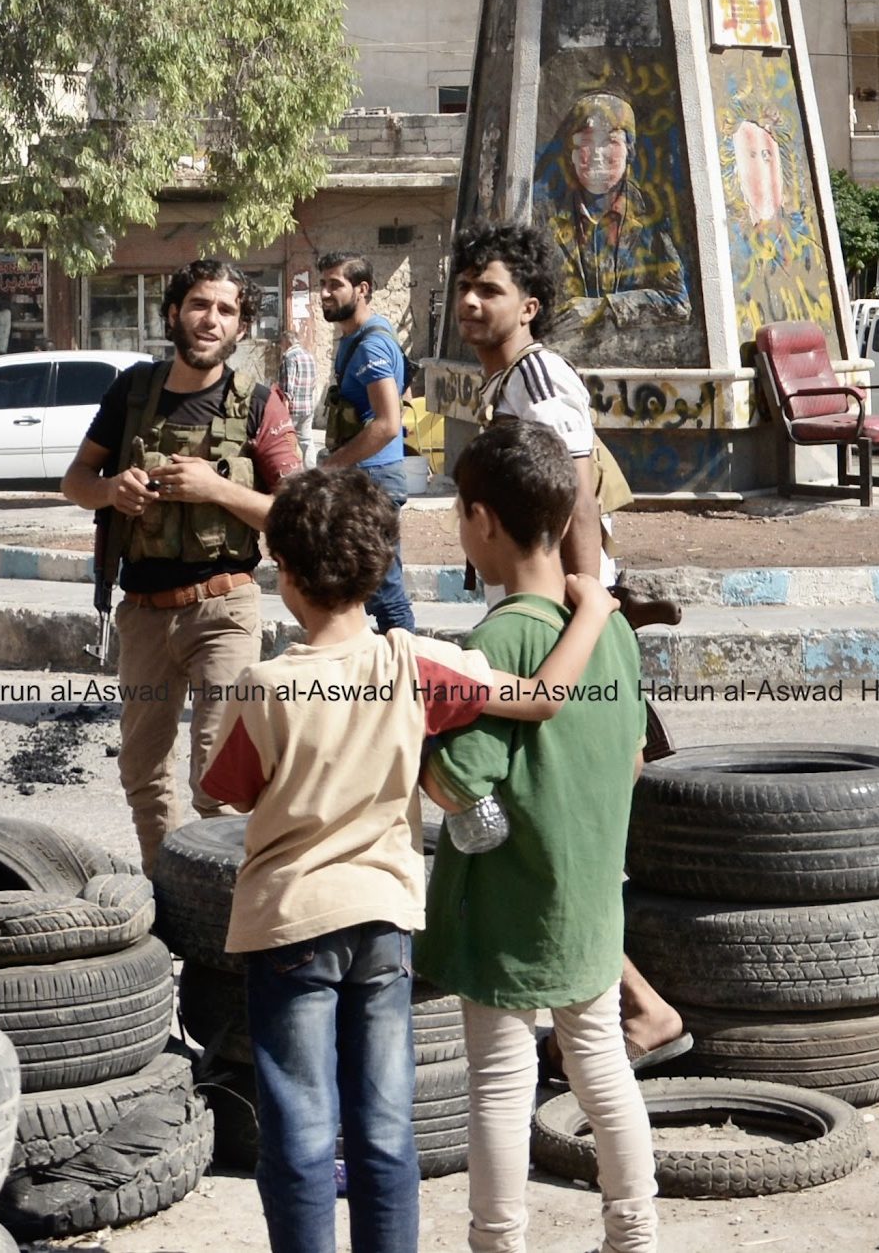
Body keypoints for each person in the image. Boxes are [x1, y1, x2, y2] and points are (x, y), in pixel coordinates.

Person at [195, 468, 617, 1253]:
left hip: (289, 925)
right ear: (378, 567)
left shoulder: (265, 685)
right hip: (384, 923)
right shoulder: (413, 663)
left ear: (283, 572)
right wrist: (591, 606)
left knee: (300, 1129)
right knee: (385, 1125)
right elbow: (540, 697)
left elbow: (221, 792)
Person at [449, 218, 686, 1066]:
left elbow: (576, 493)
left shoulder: (540, 375)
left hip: (559, 633)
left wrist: (584, 609)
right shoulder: (502, 381)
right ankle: (636, 1008)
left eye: (490, 289)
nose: (471, 302)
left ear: (529, 304)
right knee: (554, 838)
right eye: (465, 287)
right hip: (548, 625)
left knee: (555, 836)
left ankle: (636, 1010)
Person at [421, 419, 659, 1253]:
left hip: (508, 906)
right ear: (562, 519)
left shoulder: (499, 639)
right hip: (590, 892)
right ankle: (634, 1233)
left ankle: (497, 1242)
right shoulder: (611, 629)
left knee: (499, 1078)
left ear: (481, 518)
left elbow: (456, 784)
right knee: (602, 1064)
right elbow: (632, 754)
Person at [62, 254, 301, 870]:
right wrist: (111, 490)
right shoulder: (132, 393)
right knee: (142, 772)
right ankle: (169, 893)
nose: (210, 318)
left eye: (226, 309)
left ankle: (223, 907)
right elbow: (75, 480)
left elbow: (295, 515)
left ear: (241, 327)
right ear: (172, 314)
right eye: (198, 304)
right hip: (143, 612)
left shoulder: (259, 404)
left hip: (223, 611)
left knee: (220, 782)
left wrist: (216, 489)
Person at [314, 254, 415, 634]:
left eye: (335, 285)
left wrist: (331, 465)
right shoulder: (355, 338)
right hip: (361, 479)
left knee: (386, 593)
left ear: (362, 289)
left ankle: (406, 666)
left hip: (376, 481)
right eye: (322, 284)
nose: (325, 293)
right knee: (358, 585)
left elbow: (388, 424)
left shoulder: (372, 344)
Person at [536, 94, 691, 337]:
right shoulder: (547, 219)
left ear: (629, 151)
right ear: (572, 154)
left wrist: (601, 309)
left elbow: (678, 303)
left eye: (610, 141)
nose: (597, 154)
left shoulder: (654, 216)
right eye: (586, 142)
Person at [278, 319, 323, 469]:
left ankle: (291, 470)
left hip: (294, 407)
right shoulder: (309, 355)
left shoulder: (289, 357)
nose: (281, 346)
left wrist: (284, 407)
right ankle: (311, 470)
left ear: (287, 342)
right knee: (306, 440)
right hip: (308, 406)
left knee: (287, 439)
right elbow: (314, 381)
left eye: (282, 343)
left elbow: (288, 385)